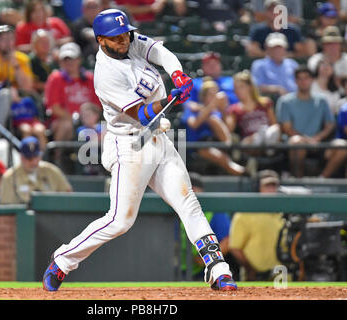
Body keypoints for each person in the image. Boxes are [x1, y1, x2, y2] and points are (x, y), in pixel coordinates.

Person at [42, 9, 237, 292]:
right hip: (129, 144)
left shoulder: (129, 40)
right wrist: (171, 98)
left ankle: (219, 270)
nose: (123, 41)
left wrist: (178, 74)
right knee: (120, 220)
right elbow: (142, 114)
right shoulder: (105, 74)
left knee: (188, 203)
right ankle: (62, 261)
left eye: (125, 35)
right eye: (116, 38)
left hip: (159, 138)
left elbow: (162, 53)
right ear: (100, 40)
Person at [276, 66, 347, 178]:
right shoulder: (285, 101)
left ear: (312, 80)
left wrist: (317, 138)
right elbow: (287, 128)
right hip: (296, 143)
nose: (303, 81)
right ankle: (298, 182)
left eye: (306, 78)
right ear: (295, 81)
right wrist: (306, 140)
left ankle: (322, 179)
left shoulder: (322, 100)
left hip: (318, 143)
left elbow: (330, 124)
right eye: (300, 78)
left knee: (342, 146)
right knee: (297, 142)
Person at [181, 78, 246, 176]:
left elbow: (229, 129)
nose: (215, 98)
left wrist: (224, 109)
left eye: (215, 94)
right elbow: (194, 124)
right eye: (211, 94)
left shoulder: (218, 112)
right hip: (198, 145)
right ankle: (243, 172)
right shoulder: (193, 110)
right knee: (216, 152)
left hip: (219, 142)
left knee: (214, 121)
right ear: (203, 96)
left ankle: (232, 152)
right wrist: (210, 107)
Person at [229, 169, 285, 281]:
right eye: (267, 186)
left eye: (274, 186)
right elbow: (235, 247)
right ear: (257, 187)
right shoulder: (245, 213)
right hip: (255, 276)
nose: (271, 190)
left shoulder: (285, 213)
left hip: (281, 274)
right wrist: (250, 268)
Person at [44, 42, 101, 143]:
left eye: (72, 58)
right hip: (62, 120)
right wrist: (75, 119)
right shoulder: (55, 78)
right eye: (65, 59)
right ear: (60, 62)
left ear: (79, 59)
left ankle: (102, 158)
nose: (69, 62)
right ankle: (58, 157)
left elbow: (97, 106)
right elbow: (54, 108)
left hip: (89, 119)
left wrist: (87, 119)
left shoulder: (90, 78)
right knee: (66, 125)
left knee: (104, 129)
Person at [0, 136, 72, 204]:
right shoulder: (10, 177)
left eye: (36, 157)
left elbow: (68, 196)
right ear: (21, 158)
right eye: (29, 158)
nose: (33, 162)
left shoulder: (51, 171)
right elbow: (5, 208)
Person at [226, 70, 281, 154]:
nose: (238, 90)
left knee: (274, 129)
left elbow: (274, 124)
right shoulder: (234, 109)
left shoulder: (265, 103)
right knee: (254, 139)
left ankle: (268, 148)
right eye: (235, 88)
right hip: (250, 141)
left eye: (241, 87)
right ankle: (265, 147)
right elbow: (228, 130)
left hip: (267, 136)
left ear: (250, 87)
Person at [0, 24, 33, 91]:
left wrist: (16, 66)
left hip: (16, 97)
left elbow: (27, 88)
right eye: (3, 39)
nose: (8, 43)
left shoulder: (22, 59)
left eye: (11, 39)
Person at [246, 0, 310, 58]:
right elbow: (252, 50)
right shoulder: (257, 30)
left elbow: (301, 51)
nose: (274, 12)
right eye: (270, 10)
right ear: (266, 12)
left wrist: (284, 56)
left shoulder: (292, 30)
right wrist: (273, 56)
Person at [251, 32, 299, 97]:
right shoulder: (259, 65)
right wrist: (277, 89)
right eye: (273, 48)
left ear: (285, 49)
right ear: (267, 48)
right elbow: (257, 86)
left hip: (294, 100)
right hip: (271, 101)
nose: (277, 50)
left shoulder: (293, 64)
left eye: (280, 47)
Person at [71, 0, 102, 65]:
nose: (92, 10)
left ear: (100, 8)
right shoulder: (78, 24)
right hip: (84, 61)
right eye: (89, 7)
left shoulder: (105, 22)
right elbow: (90, 35)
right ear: (83, 9)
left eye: (94, 6)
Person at [28, 28, 57, 94]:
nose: (45, 45)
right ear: (34, 44)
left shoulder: (53, 60)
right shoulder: (30, 61)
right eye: (42, 42)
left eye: (47, 42)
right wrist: (50, 86)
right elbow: (31, 83)